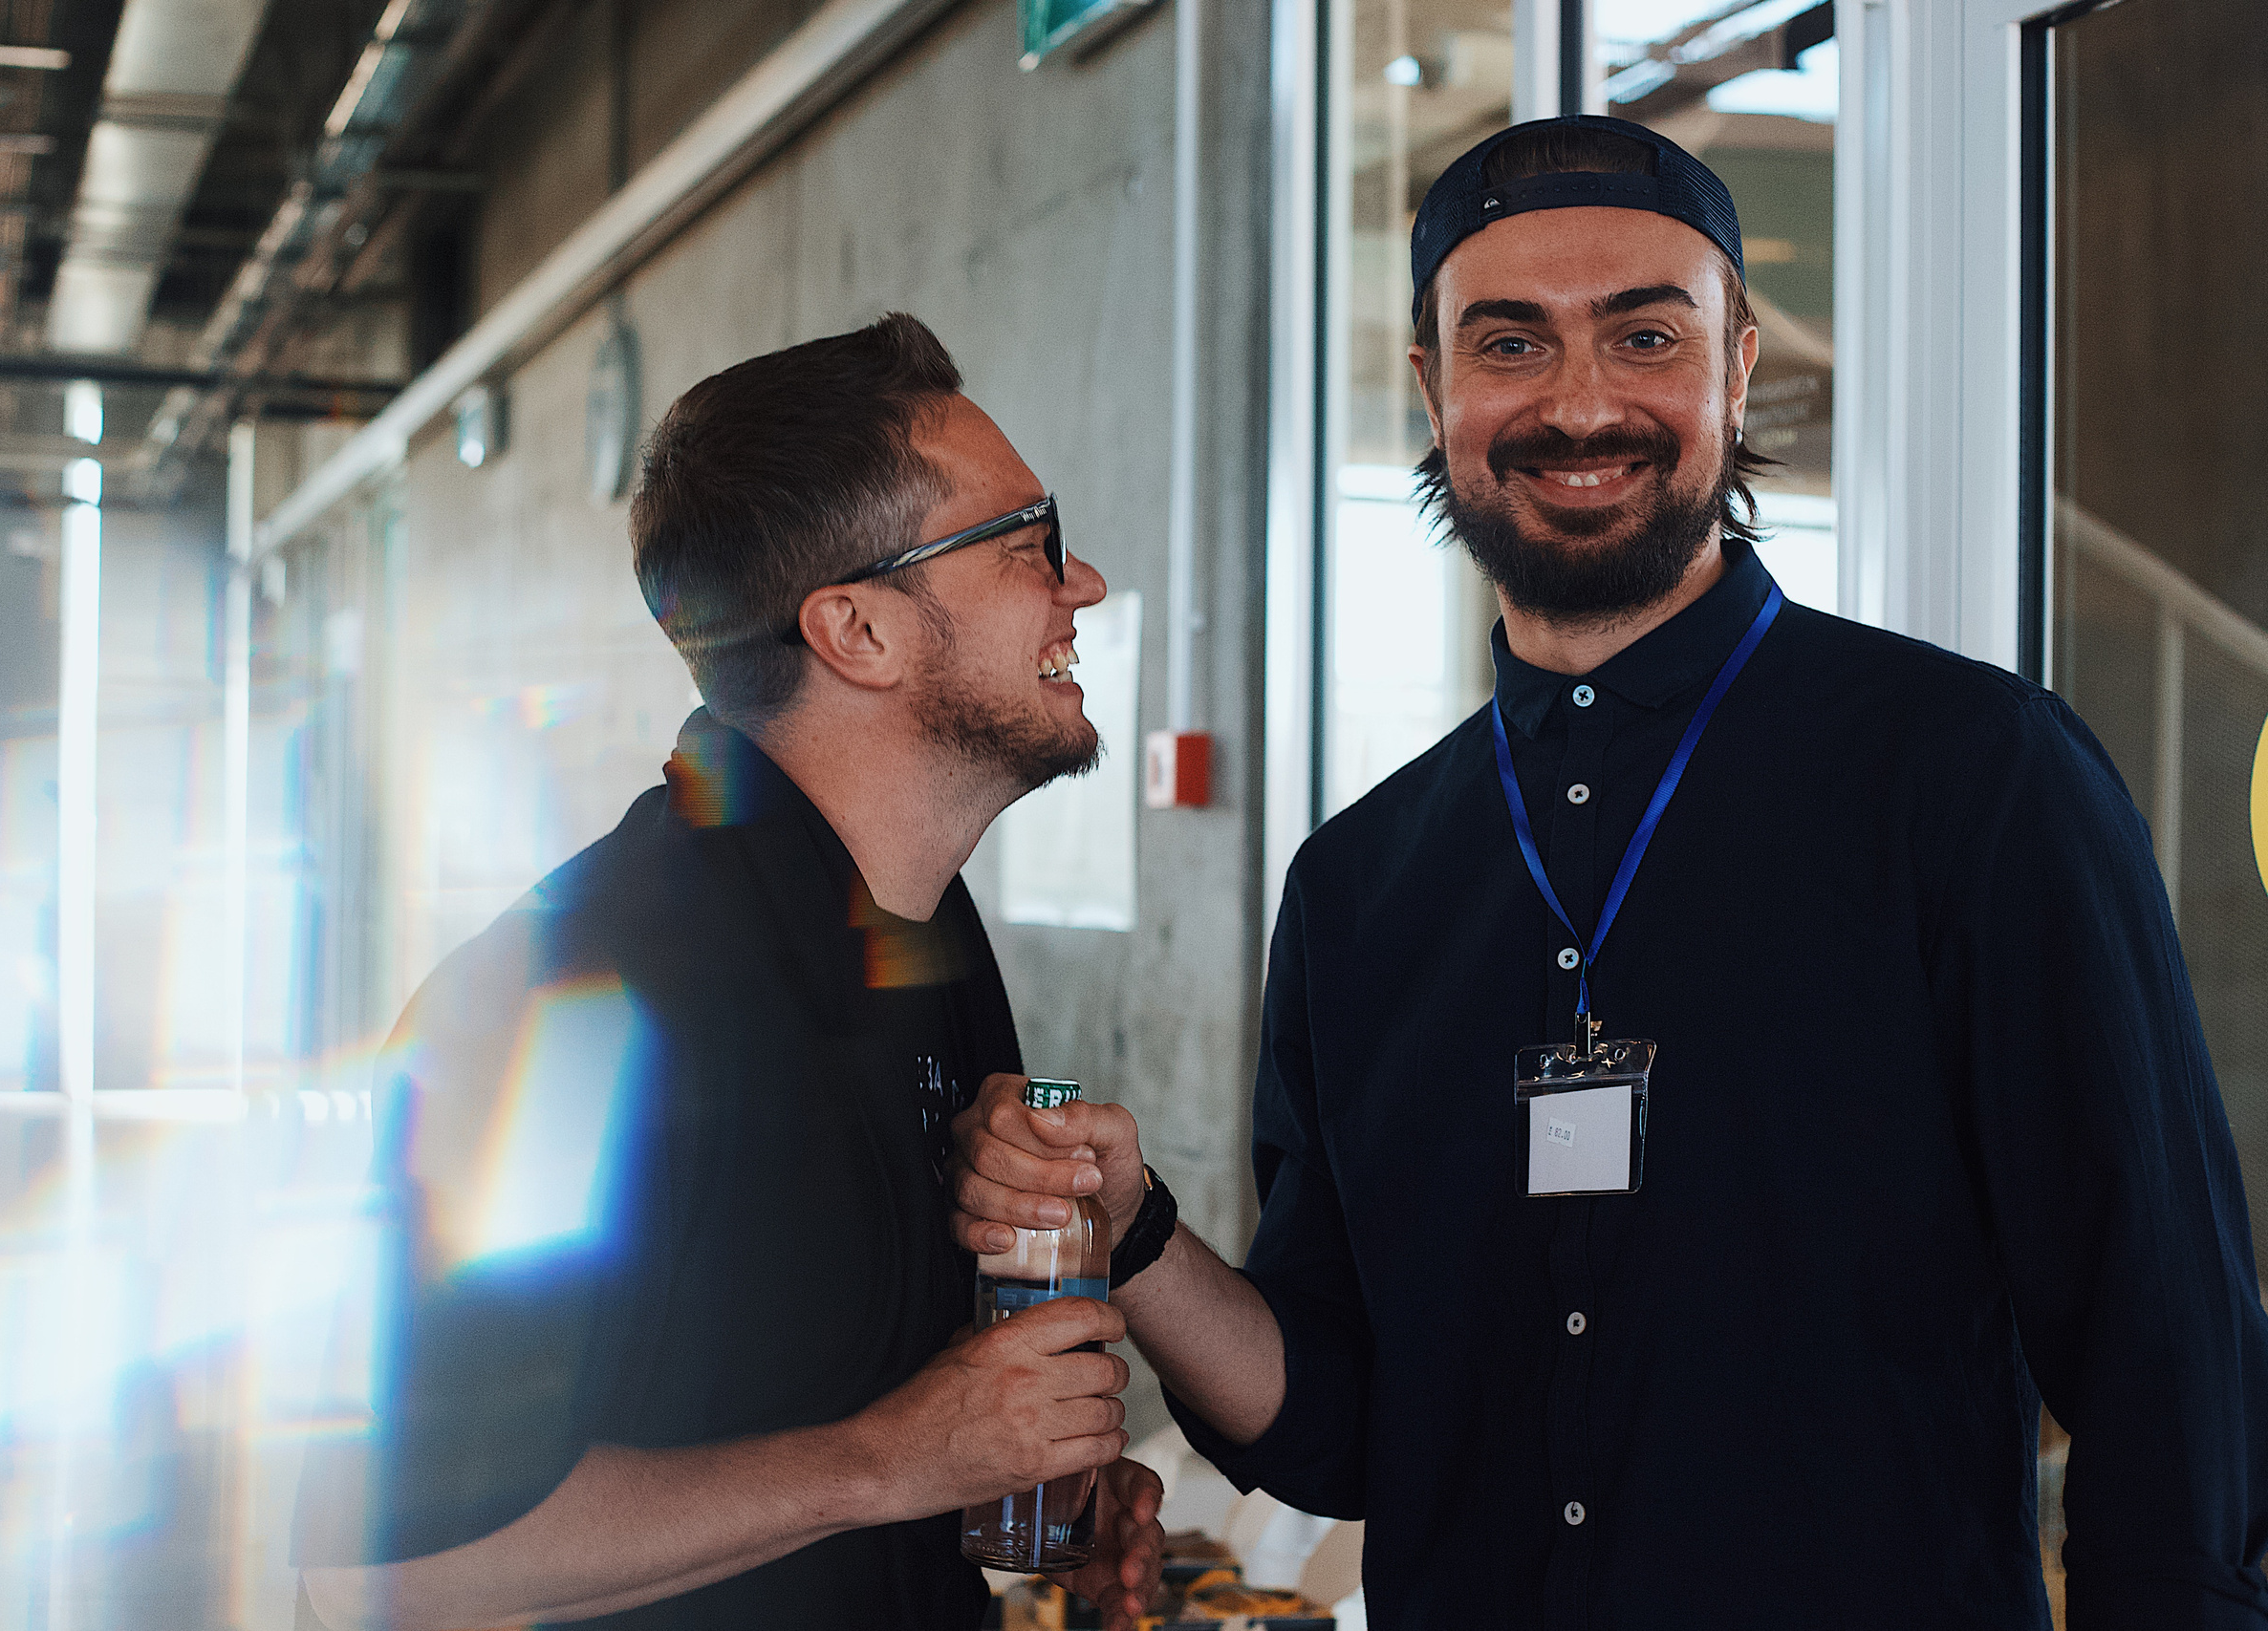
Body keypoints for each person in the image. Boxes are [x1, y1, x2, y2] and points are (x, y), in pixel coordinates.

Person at [948, 116, 2268, 1626]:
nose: (1580, 405)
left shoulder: (1974, 778)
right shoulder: (1359, 888)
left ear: (1737, 368)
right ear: (1434, 389)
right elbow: (1342, 1430)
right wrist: (1138, 1231)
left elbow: (2166, 1345)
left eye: (1646, 335)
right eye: (1511, 344)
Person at [292, 313, 1165, 1631]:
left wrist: (1025, 1486)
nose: (1081, 582)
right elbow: (379, 1566)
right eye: (1028, 543)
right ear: (856, 629)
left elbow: (871, 1409)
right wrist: (888, 1462)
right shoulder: (562, 999)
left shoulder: (922, 932)